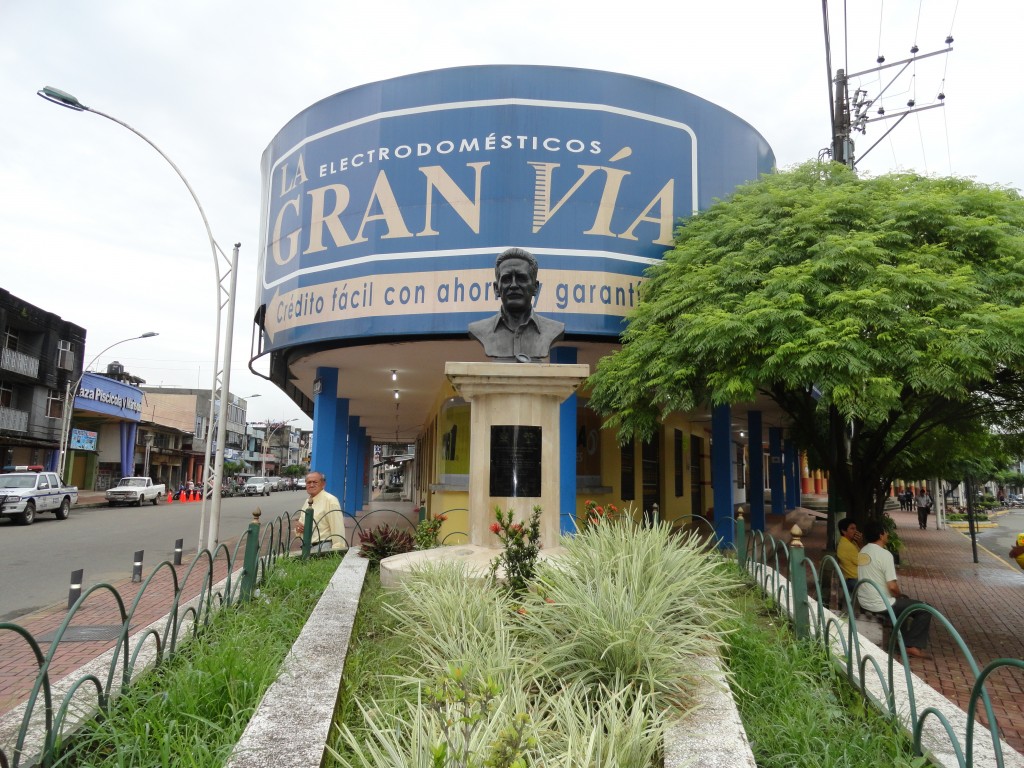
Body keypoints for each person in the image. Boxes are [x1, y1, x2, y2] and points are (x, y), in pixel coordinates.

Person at [468, 247, 565, 362]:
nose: (513, 285)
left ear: (535, 287)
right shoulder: (479, 329)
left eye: (521, 278)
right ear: (496, 289)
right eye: (507, 279)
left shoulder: (553, 329)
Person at [857, 520, 933, 658]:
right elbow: (892, 586)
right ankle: (912, 646)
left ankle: (902, 642)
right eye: (885, 532)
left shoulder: (863, 551)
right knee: (925, 609)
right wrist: (899, 595)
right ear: (881, 535)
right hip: (881, 603)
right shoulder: (885, 555)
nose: (887, 534)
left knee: (903, 606)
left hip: (864, 600)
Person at [294, 471, 345, 553]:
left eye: (315, 482)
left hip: (323, 548)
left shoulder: (330, 501)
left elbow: (338, 529)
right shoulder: (308, 501)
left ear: (323, 484)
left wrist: (337, 552)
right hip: (306, 547)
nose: (311, 485)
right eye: (309, 482)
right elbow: (302, 524)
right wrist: (298, 528)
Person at [836, 517, 862, 598]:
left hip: (854, 579)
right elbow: (863, 562)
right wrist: (860, 543)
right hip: (854, 580)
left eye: (855, 528)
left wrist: (859, 543)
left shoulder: (851, 542)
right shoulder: (847, 546)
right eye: (852, 529)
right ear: (844, 531)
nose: (855, 531)